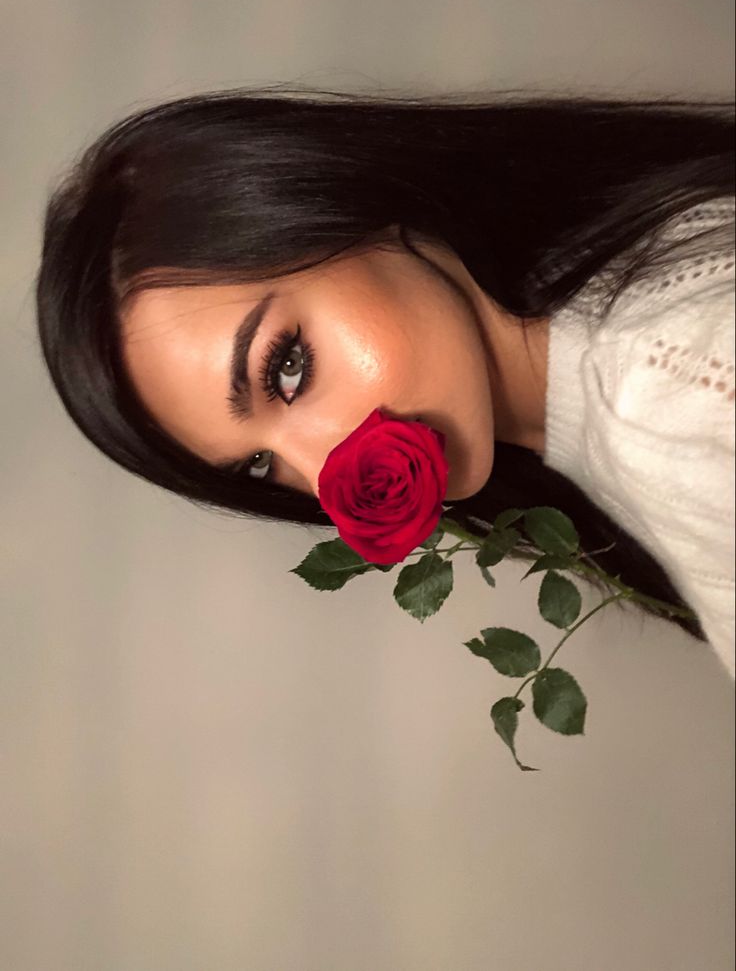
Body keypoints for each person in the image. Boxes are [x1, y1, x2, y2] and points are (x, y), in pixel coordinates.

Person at [34, 85, 735, 676]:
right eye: (259, 464)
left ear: (352, 202)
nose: (326, 470)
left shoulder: (669, 401)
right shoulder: (629, 276)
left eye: (287, 365)